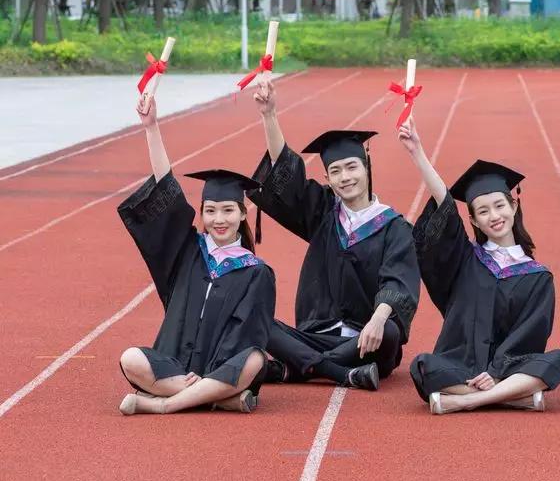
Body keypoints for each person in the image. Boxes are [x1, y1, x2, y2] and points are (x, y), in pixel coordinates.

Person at [247, 80, 420, 391]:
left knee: (390, 332)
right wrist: (269, 114)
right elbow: (288, 180)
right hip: (319, 331)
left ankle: (300, 366)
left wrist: (378, 319)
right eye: (336, 171)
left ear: (367, 167)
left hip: (368, 339)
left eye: (352, 167)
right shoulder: (325, 213)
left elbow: (399, 282)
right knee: (254, 317)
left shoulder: (394, 226)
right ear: (326, 177)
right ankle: (337, 371)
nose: (345, 177)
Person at [399, 117, 560, 415]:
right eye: (483, 210)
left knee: (558, 359)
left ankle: (467, 400)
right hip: (461, 364)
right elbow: (445, 210)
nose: (494, 215)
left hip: (509, 368)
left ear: (513, 207)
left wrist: (496, 371)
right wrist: (418, 153)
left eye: (499, 205)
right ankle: (514, 397)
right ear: (473, 221)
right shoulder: (466, 260)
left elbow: (530, 334)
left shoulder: (537, 276)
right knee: (424, 366)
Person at [117, 95, 275, 415]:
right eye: (211, 210)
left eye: (228, 210)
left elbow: (247, 334)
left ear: (244, 214)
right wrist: (151, 128)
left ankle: (163, 405)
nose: (219, 219)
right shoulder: (189, 251)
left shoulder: (256, 272)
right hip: (177, 364)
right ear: (201, 213)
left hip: (222, 368)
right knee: (130, 358)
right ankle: (217, 398)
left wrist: (214, 370)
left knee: (255, 360)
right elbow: (167, 191)